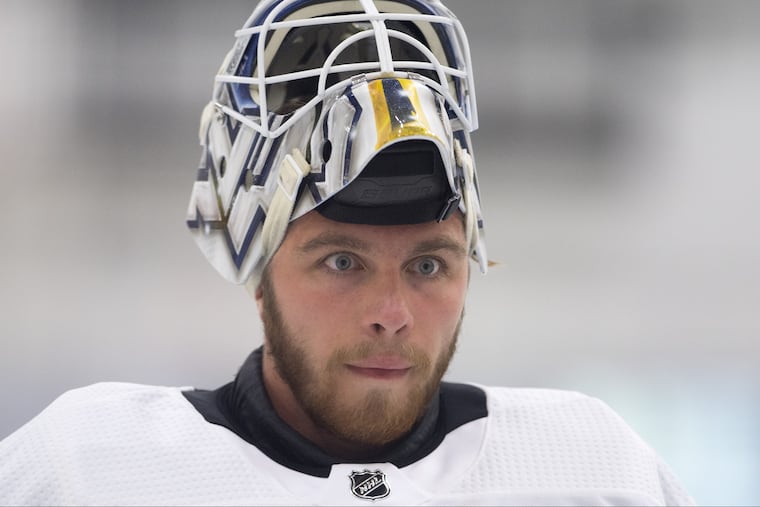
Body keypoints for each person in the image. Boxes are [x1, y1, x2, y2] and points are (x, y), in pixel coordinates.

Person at [0, 1, 694, 505]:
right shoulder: (84, 467)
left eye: (428, 264)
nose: (391, 314)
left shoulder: (597, 469)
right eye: (342, 262)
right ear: (256, 265)